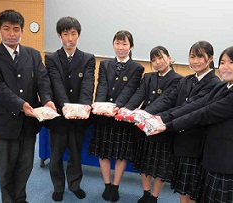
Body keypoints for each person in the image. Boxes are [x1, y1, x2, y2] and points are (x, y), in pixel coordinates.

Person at [151, 46, 233, 203]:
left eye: (232, 62)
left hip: (227, 162)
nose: (225, 67)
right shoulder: (222, 86)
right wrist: (162, 118)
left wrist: (169, 125)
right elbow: (195, 106)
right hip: (211, 157)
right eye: (223, 62)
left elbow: (205, 113)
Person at [0, 9, 55, 203]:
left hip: (29, 123)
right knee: (6, 168)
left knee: (25, 166)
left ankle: (20, 199)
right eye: (7, 29)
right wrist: (21, 105)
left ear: (22, 31)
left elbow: (43, 81)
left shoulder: (33, 54)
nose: (12, 34)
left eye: (16, 29)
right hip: (3, 121)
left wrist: (47, 100)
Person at [144, 41, 221, 203]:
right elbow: (168, 99)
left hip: (197, 143)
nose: (195, 61)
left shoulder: (215, 84)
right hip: (179, 141)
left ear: (211, 59)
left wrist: (162, 119)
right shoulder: (186, 80)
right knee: (182, 187)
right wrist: (145, 113)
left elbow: (190, 107)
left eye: (200, 56)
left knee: (193, 189)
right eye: (192, 56)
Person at [89, 30, 144, 202]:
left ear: (131, 46)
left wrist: (116, 107)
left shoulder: (137, 68)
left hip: (121, 116)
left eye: (124, 44)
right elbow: (102, 86)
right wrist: (99, 105)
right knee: (103, 153)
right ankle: (107, 184)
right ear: (113, 44)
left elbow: (129, 90)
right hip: (104, 116)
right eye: (117, 43)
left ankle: (115, 185)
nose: (120, 47)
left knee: (121, 154)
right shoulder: (105, 65)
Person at [44, 16, 96, 201]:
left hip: (79, 116)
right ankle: (58, 187)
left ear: (79, 35)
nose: (70, 38)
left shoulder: (88, 58)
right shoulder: (50, 58)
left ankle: (74, 184)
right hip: (58, 115)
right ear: (59, 35)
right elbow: (56, 83)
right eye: (65, 34)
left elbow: (88, 84)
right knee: (56, 154)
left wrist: (82, 107)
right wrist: (66, 107)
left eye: (73, 34)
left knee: (75, 152)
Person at [123, 46, 182, 203]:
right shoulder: (148, 77)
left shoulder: (178, 79)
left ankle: (155, 196)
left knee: (158, 165)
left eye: (161, 58)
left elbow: (166, 101)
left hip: (160, 127)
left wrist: (143, 113)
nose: (157, 62)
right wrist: (126, 110)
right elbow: (138, 95)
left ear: (169, 58)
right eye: (154, 60)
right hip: (143, 127)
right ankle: (146, 192)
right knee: (144, 161)